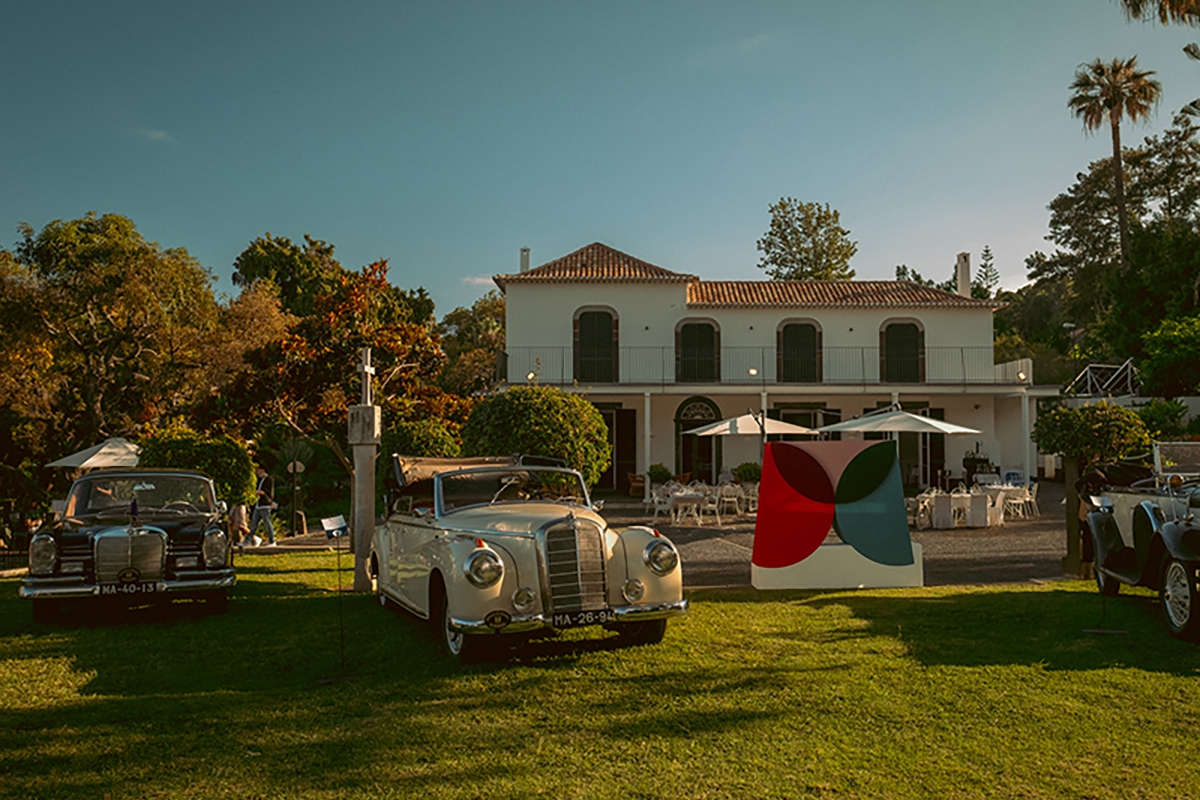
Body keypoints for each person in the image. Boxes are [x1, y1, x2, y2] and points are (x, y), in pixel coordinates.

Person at [248, 467, 277, 546]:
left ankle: (272, 541)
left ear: (263, 470)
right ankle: (249, 540)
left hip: (265, 504)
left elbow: (265, 492)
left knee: (267, 522)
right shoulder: (260, 480)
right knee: (254, 523)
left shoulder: (269, 479)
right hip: (258, 504)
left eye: (258, 470)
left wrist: (255, 492)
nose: (257, 473)